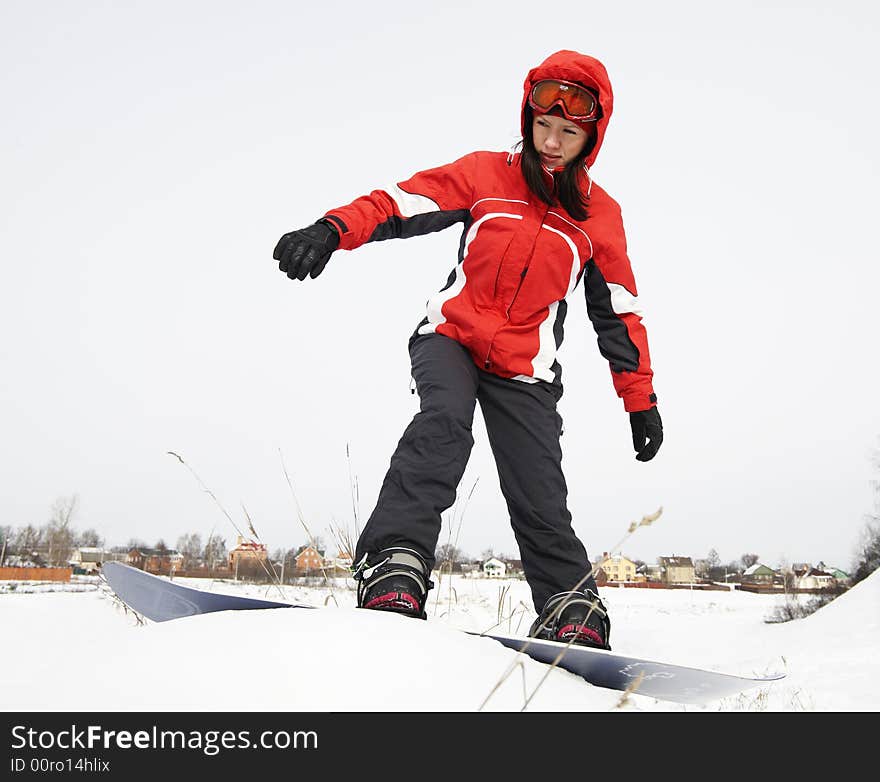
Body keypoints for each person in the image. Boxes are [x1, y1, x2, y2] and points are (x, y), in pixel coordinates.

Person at [273, 50, 663, 650]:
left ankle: (566, 601)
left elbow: (619, 314)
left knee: (539, 485)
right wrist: (330, 229)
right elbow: (399, 204)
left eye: (569, 132)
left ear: (592, 136)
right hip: (451, 339)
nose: (553, 142)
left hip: (526, 371)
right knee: (443, 426)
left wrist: (640, 402)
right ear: (527, 121)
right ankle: (394, 564)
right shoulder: (487, 174)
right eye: (543, 127)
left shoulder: (598, 217)